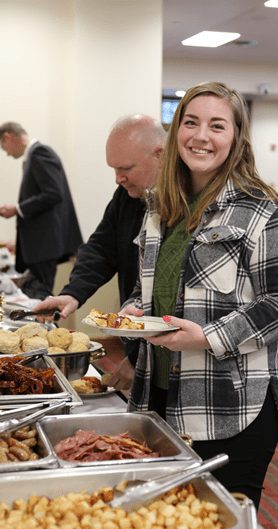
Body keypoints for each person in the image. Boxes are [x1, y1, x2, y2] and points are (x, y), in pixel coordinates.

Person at [118, 82, 278, 510]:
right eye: (191, 122)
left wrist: (205, 337)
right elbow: (150, 285)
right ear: (176, 131)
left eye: (217, 126)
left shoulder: (266, 212)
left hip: (230, 408)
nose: (201, 136)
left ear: (236, 139)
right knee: (169, 520)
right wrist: (132, 310)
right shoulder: (158, 207)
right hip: (158, 395)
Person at [33, 115, 166, 388]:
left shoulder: (186, 204)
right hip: (137, 339)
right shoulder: (127, 196)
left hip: (170, 355)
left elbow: (170, 298)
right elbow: (101, 249)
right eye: (113, 169)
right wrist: (73, 293)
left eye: (125, 168)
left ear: (160, 155)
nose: (118, 178)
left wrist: (139, 357)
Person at [0, 122, 83, 299]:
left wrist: (17, 209)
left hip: (44, 247)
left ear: (8, 137)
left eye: (3, 146)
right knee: (35, 296)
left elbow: (53, 193)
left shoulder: (40, 153)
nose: (6, 152)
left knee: (39, 298)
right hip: (40, 247)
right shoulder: (34, 156)